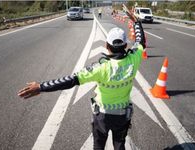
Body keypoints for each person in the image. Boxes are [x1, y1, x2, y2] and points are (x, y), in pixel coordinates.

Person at [18, 10, 145, 150]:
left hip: (102, 116)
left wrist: (41, 87)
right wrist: (136, 22)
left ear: (106, 46)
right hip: (122, 115)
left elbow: (70, 80)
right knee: (120, 144)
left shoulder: (99, 68)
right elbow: (140, 41)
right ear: (126, 46)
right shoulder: (134, 59)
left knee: (98, 145)